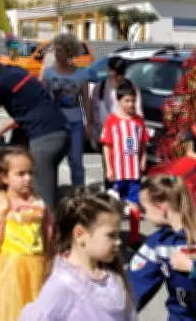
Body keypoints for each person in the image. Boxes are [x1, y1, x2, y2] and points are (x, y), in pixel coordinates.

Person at [0, 51, 69, 209]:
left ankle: (46, 232)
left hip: (45, 137)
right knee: (42, 188)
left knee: (42, 198)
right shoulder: (15, 71)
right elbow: (23, 112)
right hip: (60, 132)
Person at [127, 175, 196, 320]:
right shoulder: (157, 244)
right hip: (181, 317)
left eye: (145, 209)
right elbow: (135, 284)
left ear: (160, 208)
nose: (145, 215)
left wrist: (195, 269)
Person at [19, 188, 135, 321]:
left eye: (118, 234)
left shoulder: (112, 276)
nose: (119, 242)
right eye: (111, 235)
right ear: (80, 235)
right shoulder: (62, 286)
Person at [0, 148, 52, 321]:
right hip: (8, 277)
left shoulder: (40, 205)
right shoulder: (1, 206)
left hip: (38, 274)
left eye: (30, 173)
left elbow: (50, 239)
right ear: (4, 178)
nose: (28, 178)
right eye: (21, 174)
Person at [101, 81, 148, 247]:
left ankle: (134, 239)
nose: (131, 104)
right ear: (118, 101)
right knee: (115, 207)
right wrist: (109, 167)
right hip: (118, 172)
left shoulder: (138, 121)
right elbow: (106, 145)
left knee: (135, 206)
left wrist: (143, 159)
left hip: (134, 172)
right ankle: (112, 236)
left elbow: (143, 143)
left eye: (133, 100)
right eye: (127, 100)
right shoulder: (111, 121)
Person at [41, 34, 90, 187]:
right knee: (52, 160)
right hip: (54, 124)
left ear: (70, 52)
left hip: (75, 124)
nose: (57, 54)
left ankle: (79, 194)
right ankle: (51, 193)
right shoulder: (48, 73)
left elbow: (86, 100)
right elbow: (42, 99)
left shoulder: (82, 74)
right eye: (56, 51)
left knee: (76, 161)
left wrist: (88, 123)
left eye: (60, 51)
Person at [87, 56, 144, 190]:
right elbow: (91, 110)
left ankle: (128, 195)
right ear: (109, 71)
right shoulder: (99, 88)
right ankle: (111, 194)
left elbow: (139, 113)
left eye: (120, 74)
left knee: (128, 169)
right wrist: (89, 128)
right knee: (109, 168)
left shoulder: (132, 87)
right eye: (114, 74)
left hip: (128, 136)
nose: (117, 77)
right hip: (107, 137)